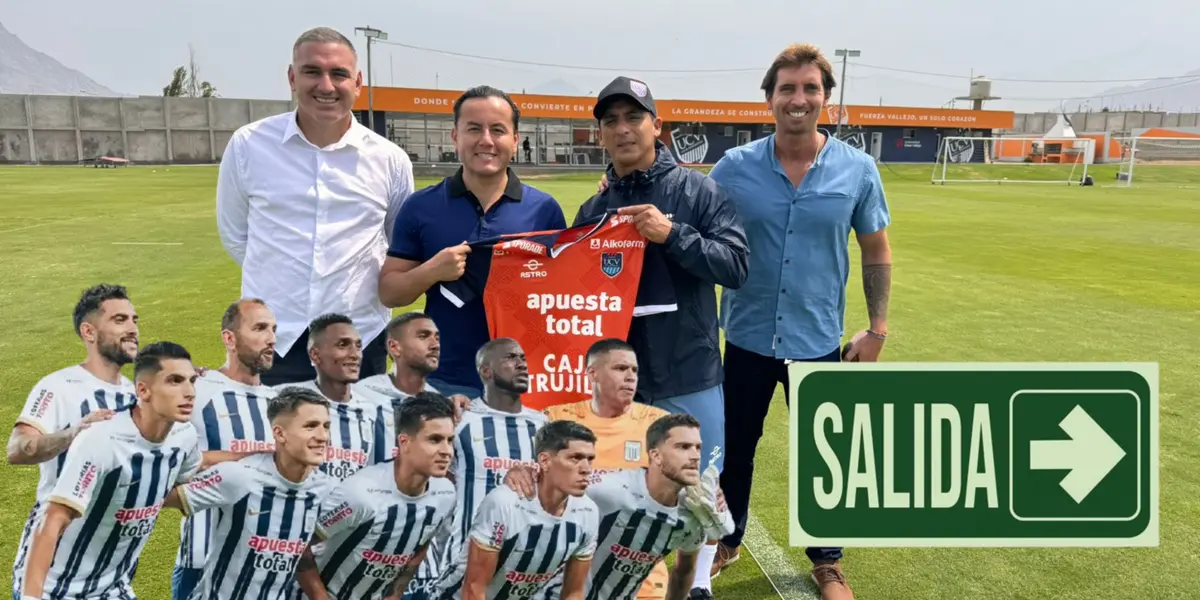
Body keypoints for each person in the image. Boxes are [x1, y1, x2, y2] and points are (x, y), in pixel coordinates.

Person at [705, 43, 893, 600]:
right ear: (769, 98)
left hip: (818, 341)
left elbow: (876, 249)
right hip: (745, 336)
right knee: (734, 446)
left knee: (825, 452)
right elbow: (688, 212)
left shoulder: (857, 170)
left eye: (811, 88)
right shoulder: (733, 169)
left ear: (826, 99)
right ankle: (727, 539)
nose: (799, 98)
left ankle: (828, 561)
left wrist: (877, 327)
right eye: (788, 88)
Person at [573, 76, 749, 594]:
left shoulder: (699, 190)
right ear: (601, 135)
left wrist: (673, 234)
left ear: (657, 126)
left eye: (634, 118)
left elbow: (737, 265)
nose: (623, 129)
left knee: (697, 482)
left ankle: (696, 584)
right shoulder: (592, 209)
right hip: (621, 382)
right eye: (611, 122)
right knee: (618, 488)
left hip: (688, 369)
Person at [215, 26, 415, 387]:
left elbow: (395, 246)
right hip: (271, 340)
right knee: (269, 443)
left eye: (338, 74)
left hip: (358, 340)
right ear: (292, 78)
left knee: (355, 444)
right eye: (312, 72)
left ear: (357, 83)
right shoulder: (248, 145)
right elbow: (236, 236)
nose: (326, 86)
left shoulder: (390, 160)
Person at [378, 86, 567, 399]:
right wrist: (432, 270)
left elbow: (562, 301)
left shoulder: (544, 210)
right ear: (455, 135)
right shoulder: (421, 206)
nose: (486, 140)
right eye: (474, 128)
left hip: (522, 384)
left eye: (498, 130)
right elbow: (390, 293)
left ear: (516, 140)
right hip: (442, 380)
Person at [19, 342, 203, 600]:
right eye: (175, 381)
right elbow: (53, 519)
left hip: (113, 588)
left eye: (192, 380)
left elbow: (178, 483)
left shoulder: (185, 437)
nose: (189, 392)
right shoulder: (102, 440)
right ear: (143, 390)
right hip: (57, 589)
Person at [506, 412, 728, 600]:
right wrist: (525, 473)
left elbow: (684, 571)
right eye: (683, 447)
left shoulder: (691, 515)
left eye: (698, 448)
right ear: (656, 455)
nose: (694, 456)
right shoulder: (609, 491)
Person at [7, 283, 139, 599]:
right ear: (89, 332)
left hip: (111, 579)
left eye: (135, 319)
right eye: (120, 320)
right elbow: (16, 449)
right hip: (53, 577)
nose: (133, 328)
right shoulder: (59, 387)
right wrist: (73, 434)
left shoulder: (137, 394)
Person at [164, 386, 338, 600]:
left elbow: (303, 549)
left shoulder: (326, 489)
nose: (322, 437)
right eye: (310, 426)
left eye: (326, 426)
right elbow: (155, 497)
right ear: (279, 433)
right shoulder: (240, 477)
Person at [542, 338, 673, 600]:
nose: (630, 377)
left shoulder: (658, 425)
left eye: (634, 371)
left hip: (638, 577)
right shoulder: (555, 420)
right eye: (620, 369)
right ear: (592, 373)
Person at [296, 392, 458, 600]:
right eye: (435, 440)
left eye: (450, 440)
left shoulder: (445, 493)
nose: (447, 451)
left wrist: (395, 594)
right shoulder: (361, 494)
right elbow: (300, 545)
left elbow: (421, 542)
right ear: (404, 442)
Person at [172, 298, 281, 600]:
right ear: (229, 338)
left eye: (273, 329)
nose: (271, 338)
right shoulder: (198, 389)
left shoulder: (279, 402)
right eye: (259, 328)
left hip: (265, 567)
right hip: (202, 560)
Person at [432, 420, 599, 600]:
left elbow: (573, 593)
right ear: (544, 460)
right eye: (575, 458)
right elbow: (474, 588)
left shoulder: (587, 512)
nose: (586, 469)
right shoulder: (505, 503)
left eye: (590, 459)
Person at [440, 338, 549, 567]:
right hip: (465, 561)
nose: (521, 364)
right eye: (510, 357)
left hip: (522, 564)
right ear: (486, 371)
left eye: (523, 358)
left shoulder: (542, 425)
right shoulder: (460, 420)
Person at [287, 312, 378, 481]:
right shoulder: (290, 403)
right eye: (343, 345)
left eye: (358, 346)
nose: (355, 354)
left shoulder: (373, 411)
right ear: (315, 355)